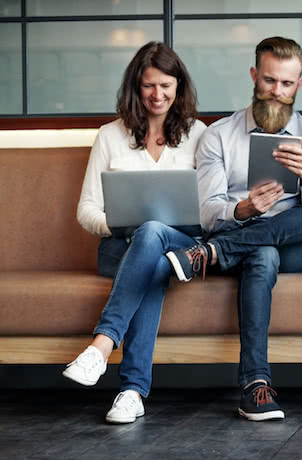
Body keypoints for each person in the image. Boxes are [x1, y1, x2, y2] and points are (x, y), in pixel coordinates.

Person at [164, 36, 302, 421]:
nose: (276, 92)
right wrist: (244, 208)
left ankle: (209, 255)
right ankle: (255, 385)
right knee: (262, 253)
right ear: (253, 76)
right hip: (247, 241)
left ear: (300, 85)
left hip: (297, 245)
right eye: (269, 80)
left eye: (286, 83)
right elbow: (208, 213)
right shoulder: (219, 135)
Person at [64, 41, 206, 424]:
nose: (157, 95)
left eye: (165, 86)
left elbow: (213, 210)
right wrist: (122, 224)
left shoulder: (199, 135)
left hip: (182, 246)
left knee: (155, 235)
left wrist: (152, 228)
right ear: (135, 87)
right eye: (148, 86)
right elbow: (86, 210)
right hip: (121, 248)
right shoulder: (110, 135)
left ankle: (102, 348)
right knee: (150, 250)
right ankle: (131, 391)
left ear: (179, 87)